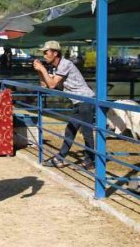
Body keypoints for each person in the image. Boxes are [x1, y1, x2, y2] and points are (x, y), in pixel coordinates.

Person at [33, 40, 95, 169]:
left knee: (86, 132)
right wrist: (39, 71)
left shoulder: (65, 64)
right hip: (80, 102)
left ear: (55, 53)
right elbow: (45, 85)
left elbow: (51, 84)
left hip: (86, 100)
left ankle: (90, 160)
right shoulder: (58, 68)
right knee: (71, 130)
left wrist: (43, 69)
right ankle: (60, 158)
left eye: (46, 52)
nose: (44, 55)